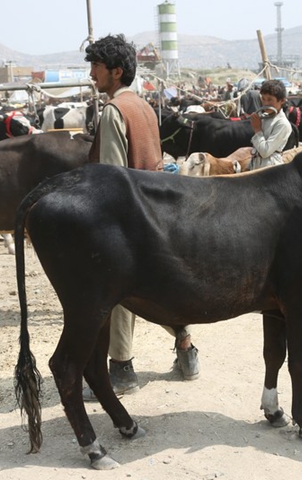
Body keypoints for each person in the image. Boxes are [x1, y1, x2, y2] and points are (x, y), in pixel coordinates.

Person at [82, 34, 200, 401]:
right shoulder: (145, 107)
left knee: (117, 293)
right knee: (155, 291)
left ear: (115, 71)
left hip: (131, 220)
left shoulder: (115, 111)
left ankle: (121, 369)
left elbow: (113, 179)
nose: (91, 75)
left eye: (96, 67)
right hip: (157, 212)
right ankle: (185, 345)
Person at [249, 79, 293, 170]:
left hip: (270, 170)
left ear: (282, 101)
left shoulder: (282, 124)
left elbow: (265, 152)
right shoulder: (264, 117)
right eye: (263, 99)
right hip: (257, 166)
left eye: (270, 100)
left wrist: (257, 129)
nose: (265, 103)